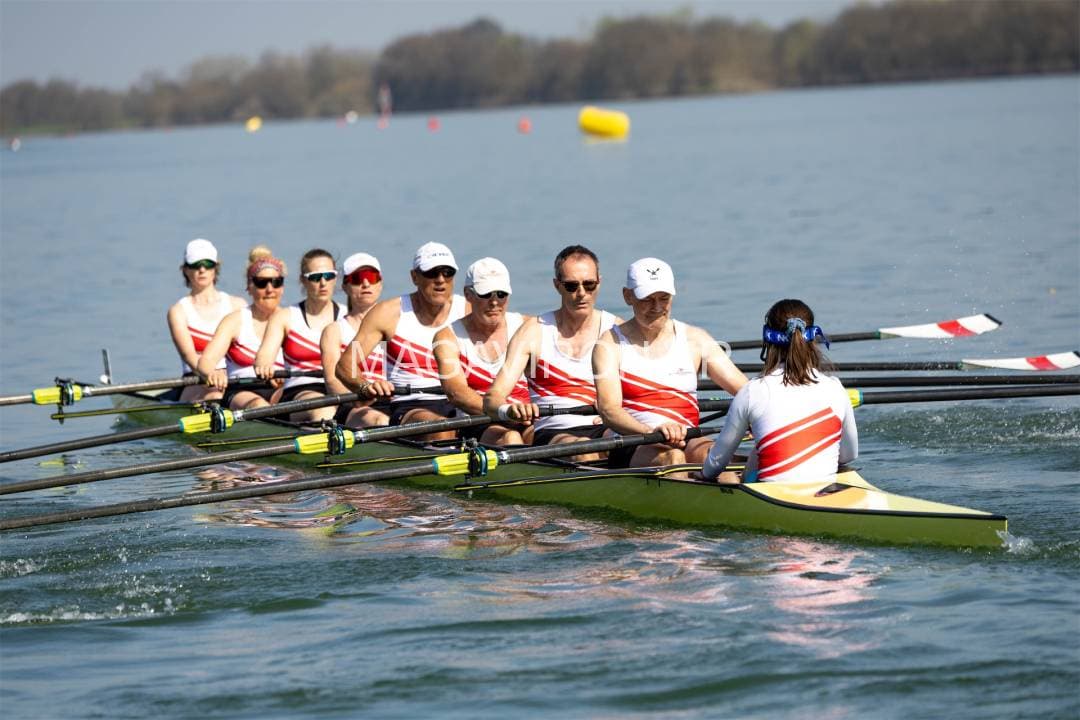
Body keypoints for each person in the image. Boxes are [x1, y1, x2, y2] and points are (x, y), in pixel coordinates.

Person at [593, 258, 747, 472]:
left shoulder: (696, 339)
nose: (657, 307)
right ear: (628, 296)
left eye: (664, 298)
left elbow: (747, 392)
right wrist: (652, 432)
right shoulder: (609, 344)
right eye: (647, 299)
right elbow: (609, 410)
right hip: (635, 441)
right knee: (673, 458)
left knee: (718, 457)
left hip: (688, 438)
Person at [482, 245, 618, 463]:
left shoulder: (616, 330)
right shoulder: (533, 332)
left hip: (606, 429)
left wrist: (616, 412)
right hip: (554, 432)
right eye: (571, 286)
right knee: (584, 448)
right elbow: (492, 400)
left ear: (599, 282)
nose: (581, 293)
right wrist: (510, 410)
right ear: (557, 285)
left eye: (589, 284)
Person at [699, 299, 858, 484]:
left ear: (767, 342)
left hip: (769, 495)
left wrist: (702, 475)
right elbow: (849, 455)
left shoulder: (752, 391)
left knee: (755, 454)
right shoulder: (835, 388)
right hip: (824, 490)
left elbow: (715, 465)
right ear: (813, 339)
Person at [335, 242, 468, 441]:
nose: (441, 279)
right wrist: (364, 387)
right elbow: (345, 366)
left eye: (447, 273)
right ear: (414, 277)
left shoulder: (468, 310)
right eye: (431, 273)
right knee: (441, 429)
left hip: (462, 401)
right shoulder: (388, 313)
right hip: (411, 406)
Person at [433, 258, 531, 446]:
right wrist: (504, 412)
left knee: (554, 442)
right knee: (511, 438)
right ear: (468, 295)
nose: (494, 302)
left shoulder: (527, 327)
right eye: (486, 294)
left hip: (526, 417)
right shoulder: (447, 337)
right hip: (478, 421)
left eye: (501, 294)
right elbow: (456, 393)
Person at [254, 248, 346, 423]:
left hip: (342, 390)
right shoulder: (285, 317)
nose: (323, 283)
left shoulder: (347, 316)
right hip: (300, 391)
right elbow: (263, 357)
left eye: (329, 276)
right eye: (315, 277)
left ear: (336, 278)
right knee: (324, 409)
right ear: (303, 280)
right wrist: (264, 367)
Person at [196, 247, 287, 410]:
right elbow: (206, 361)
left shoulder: (291, 319)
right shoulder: (234, 321)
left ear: (282, 287)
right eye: (261, 283)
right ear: (249, 286)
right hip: (241, 391)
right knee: (260, 406)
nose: (269, 289)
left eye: (276, 282)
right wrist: (213, 373)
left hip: (280, 390)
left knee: (297, 401)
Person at [167, 238, 245, 402]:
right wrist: (211, 373)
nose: (202, 270)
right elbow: (189, 355)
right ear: (185, 270)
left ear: (216, 268)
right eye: (196, 265)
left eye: (207, 264)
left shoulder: (237, 305)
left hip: (233, 377)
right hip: (196, 378)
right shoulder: (178, 311)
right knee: (216, 395)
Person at [320, 252, 389, 428]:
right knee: (382, 421)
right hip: (353, 405)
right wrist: (362, 396)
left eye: (371, 277)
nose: (366, 284)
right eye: (357, 279)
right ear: (345, 286)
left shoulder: (395, 325)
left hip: (392, 401)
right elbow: (333, 382)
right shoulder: (334, 331)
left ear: (380, 283)